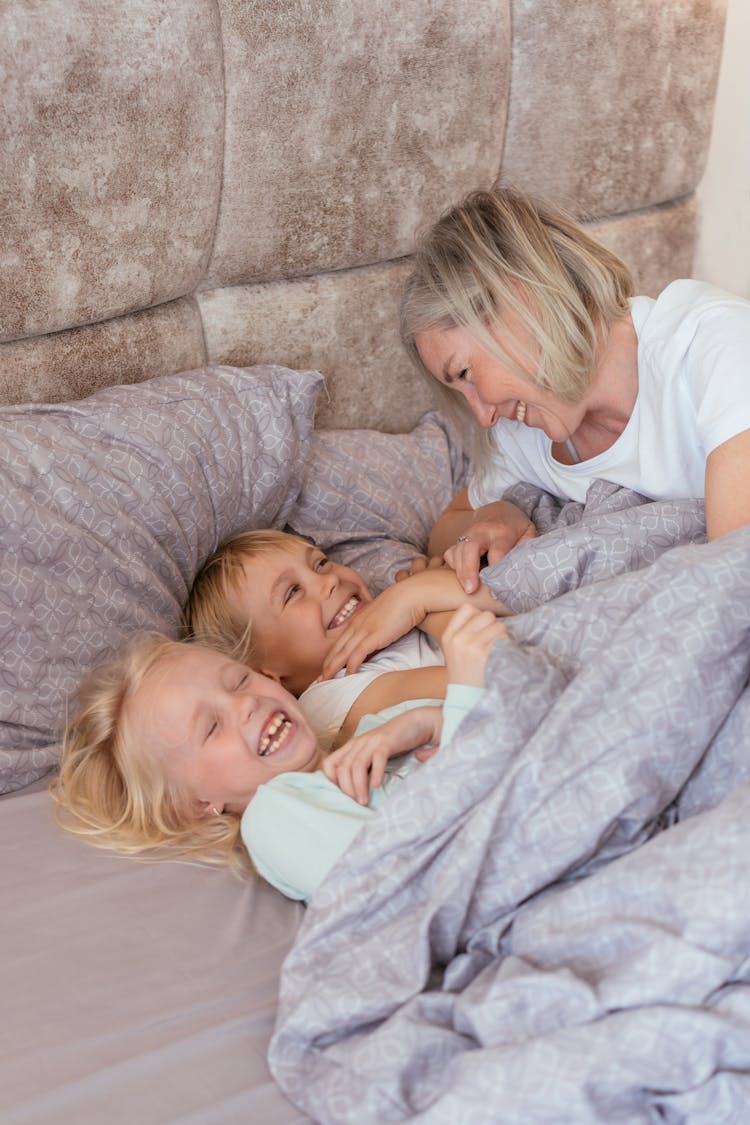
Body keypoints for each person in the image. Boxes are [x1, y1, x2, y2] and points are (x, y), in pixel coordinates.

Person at [400, 186, 750, 594]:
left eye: (466, 373)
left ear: (523, 301)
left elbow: (732, 584)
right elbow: (447, 525)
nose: (484, 416)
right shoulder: (524, 436)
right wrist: (496, 516)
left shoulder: (713, 346)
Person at [51, 606, 508, 901]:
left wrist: (425, 721)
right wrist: (465, 697)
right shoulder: (276, 816)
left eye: (240, 680)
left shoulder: (375, 734)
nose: (245, 704)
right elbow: (425, 889)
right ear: (197, 804)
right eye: (212, 728)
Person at [184, 528, 510, 750]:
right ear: (265, 673)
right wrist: (423, 599)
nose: (327, 582)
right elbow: (495, 673)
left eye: (321, 563)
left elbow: (515, 594)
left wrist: (425, 593)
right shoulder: (327, 703)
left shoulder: (390, 614)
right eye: (293, 592)